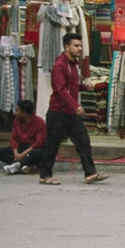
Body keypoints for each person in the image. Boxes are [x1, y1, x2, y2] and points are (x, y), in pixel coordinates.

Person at [38, 33, 108, 185]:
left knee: (83, 141)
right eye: (76, 46)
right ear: (67, 47)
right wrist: (75, 106)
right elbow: (61, 89)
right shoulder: (59, 66)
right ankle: (45, 175)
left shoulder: (73, 65)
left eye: (80, 46)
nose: (80, 49)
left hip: (70, 113)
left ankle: (90, 173)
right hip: (58, 112)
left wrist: (83, 87)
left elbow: (71, 86)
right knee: (52, 144)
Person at [0, 99, 46, 175]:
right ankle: (26, 164)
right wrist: (16, 153)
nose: (15, 112)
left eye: (17, 110)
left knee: (39, 153)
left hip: (32, 148)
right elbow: (14, 138)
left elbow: (39, 142)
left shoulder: (39, 122)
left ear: (24, 113)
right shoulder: (16, 121)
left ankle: (18, 165)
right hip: (21, 147)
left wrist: (23, 154)